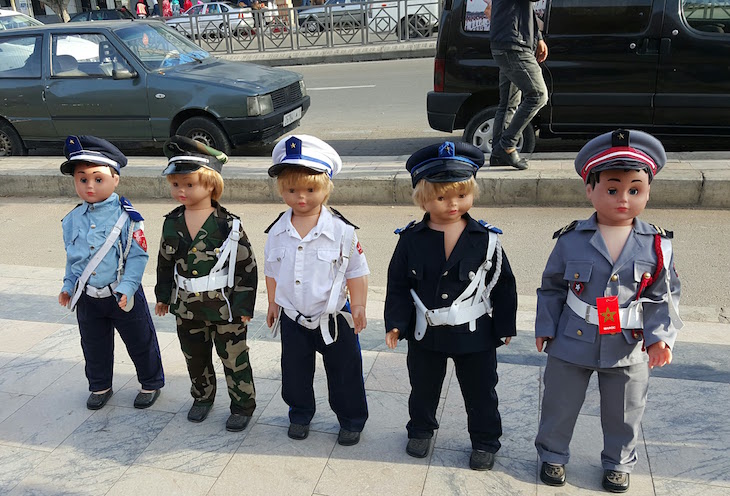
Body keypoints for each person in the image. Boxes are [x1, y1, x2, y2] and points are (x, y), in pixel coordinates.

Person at [534, 129, 683, 493]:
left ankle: (618, 461)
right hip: (572, 338)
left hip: (627, 344)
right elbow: (552, 286)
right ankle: (553, 454)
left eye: (635, 190)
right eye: (612, 189)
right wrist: (545, 326)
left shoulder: (656, 245)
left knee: (625, 411)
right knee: (560, 403)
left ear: (648, 191)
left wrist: (660, 338)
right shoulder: (571, 240)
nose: (623, 199)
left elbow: (665, 293)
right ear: (590, 190)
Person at [384, 141, 518, 470]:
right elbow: (399, 285)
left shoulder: (486, 239)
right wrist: (395, 323)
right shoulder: (411, 240)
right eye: (441, 197)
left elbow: (504, 284)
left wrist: (504, 325)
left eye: (461, 195)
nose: (452, 204)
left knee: (481, 391)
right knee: (423, 388)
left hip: (475, 334)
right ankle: (420, 429)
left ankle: (485, 440)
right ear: (423, 198)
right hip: (425, 332)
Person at [264, 135, 369, 446]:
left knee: (345, 373)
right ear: (281, 190)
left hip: (334, 317)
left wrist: (360, 306)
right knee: (294, 372)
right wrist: (272, 302)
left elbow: (357, 270)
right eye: (291, 190)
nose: (301, 197)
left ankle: (351, 419)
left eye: (311, 189)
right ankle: (299, 413)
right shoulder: (277, 231)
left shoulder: (342, 231)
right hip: (293, 318)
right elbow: (272, 270)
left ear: (327, 188)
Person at [154, 136, 258, 432]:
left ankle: (242, 404)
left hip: (224, 307)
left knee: (234, 358)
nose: (181, 191)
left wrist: (243, 306)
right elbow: (165, 262)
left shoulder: (228, 224)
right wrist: (163, 295)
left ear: (211, 184)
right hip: (186, 306)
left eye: (189, 184)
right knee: (194, 357)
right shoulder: (172, 222)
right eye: (175, 184)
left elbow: (246, 268)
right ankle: (202, 397)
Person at [58, 135, 164, 411]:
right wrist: (68, 286)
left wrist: (128, 289)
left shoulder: (128, 218)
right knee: (93, 345)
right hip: (87, 297)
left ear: (115, 179)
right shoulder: (71, 220)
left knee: (140, 341)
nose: (89, 186)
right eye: (82, 179)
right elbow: (74, 259)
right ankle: (99, 385)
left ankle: (150, 382)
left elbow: (138, 257)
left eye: (98, 178)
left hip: (121, 293)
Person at [489, 0, 549, 170]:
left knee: (509, 102)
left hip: (509, 43)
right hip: (513, 45)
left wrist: (538, 38)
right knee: (538, 95)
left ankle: (498, 154)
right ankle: (507, 145)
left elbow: (525, 9)